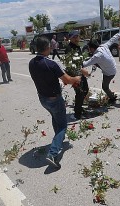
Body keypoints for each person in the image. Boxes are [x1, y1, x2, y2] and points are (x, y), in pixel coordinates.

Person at [29, 37, 81, 168]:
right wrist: (77, 77)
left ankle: (57, 140)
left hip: (43, 98)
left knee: (55, 117)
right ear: (48, 47)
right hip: (54, 99)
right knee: (63, 125)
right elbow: (68, 80)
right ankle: (52, 154)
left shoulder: (31, 63)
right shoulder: (50, 63)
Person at [81, 30, 120, 104]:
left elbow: (85, 64)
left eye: (89, 48)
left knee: (104, 87)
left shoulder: (97, 56)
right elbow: (113, 38)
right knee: (95, 62)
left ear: (92, 48)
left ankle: (112, 98)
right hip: (113, 67)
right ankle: (112, 95)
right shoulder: (104, 46)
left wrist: (76, 62)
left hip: (109, 73)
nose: (89, 50)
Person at [65, 30, 89, 119]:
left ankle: (78, 108)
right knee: (80, 92)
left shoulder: (78, 47)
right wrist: (82, 70)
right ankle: (77, 113)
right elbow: (70, 64)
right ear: (70, 38)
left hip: (80, 73)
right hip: (74, 74)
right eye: (74, 37)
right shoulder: (69, 48)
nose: (76, 38)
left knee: (85, 90)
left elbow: (79, 60)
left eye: (77, 36)